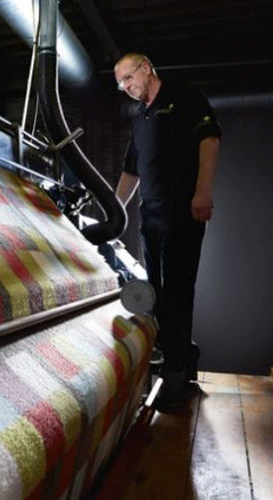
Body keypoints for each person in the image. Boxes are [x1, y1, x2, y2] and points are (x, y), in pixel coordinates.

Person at [114, 53, 221, 410]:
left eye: (129, 78)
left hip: (182, 211)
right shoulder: (141, 118)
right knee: (158, 294)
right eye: (121, 84)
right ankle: (184, 359)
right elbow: (132, 171)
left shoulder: (184, 96)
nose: (126, 87)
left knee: (177, 291)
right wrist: (114, 215)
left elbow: (209, 138)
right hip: (152, 216)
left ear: (146, 68)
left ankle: (176, 381)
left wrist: (203, 189)